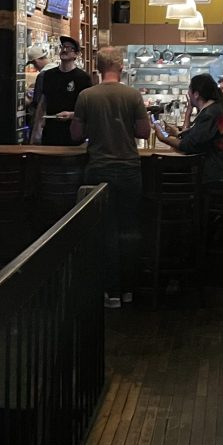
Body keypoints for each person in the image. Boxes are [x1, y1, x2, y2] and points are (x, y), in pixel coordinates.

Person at [71, 47, 150, 309]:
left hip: (98, 168)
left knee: (105, 231)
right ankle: (130, 289)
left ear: (98, 67)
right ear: (121, 66)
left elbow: (76, 135)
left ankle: (110, 291)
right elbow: (142, 132)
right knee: (130, 229)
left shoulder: (86, 96)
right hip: (128, 168)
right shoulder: (133, 95)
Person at [153, 73, 223, 185]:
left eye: (189, 90)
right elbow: (196, 137)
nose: (188, 94)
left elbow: (189, 145)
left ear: (196, 94)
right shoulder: (214, 109)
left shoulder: (210, 114)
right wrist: (177, 134)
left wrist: (164, 138)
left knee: (170, 175)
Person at [31, 35, 92, 146]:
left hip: (73, 132)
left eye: (69, 48)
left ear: (76, 55)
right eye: (63, 47)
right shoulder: (48, 75)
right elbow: (43, 103)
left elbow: (88, 109)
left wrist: (70, 115)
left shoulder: (83, 78)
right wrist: (36, 130)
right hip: (50, 131)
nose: (64, 50)